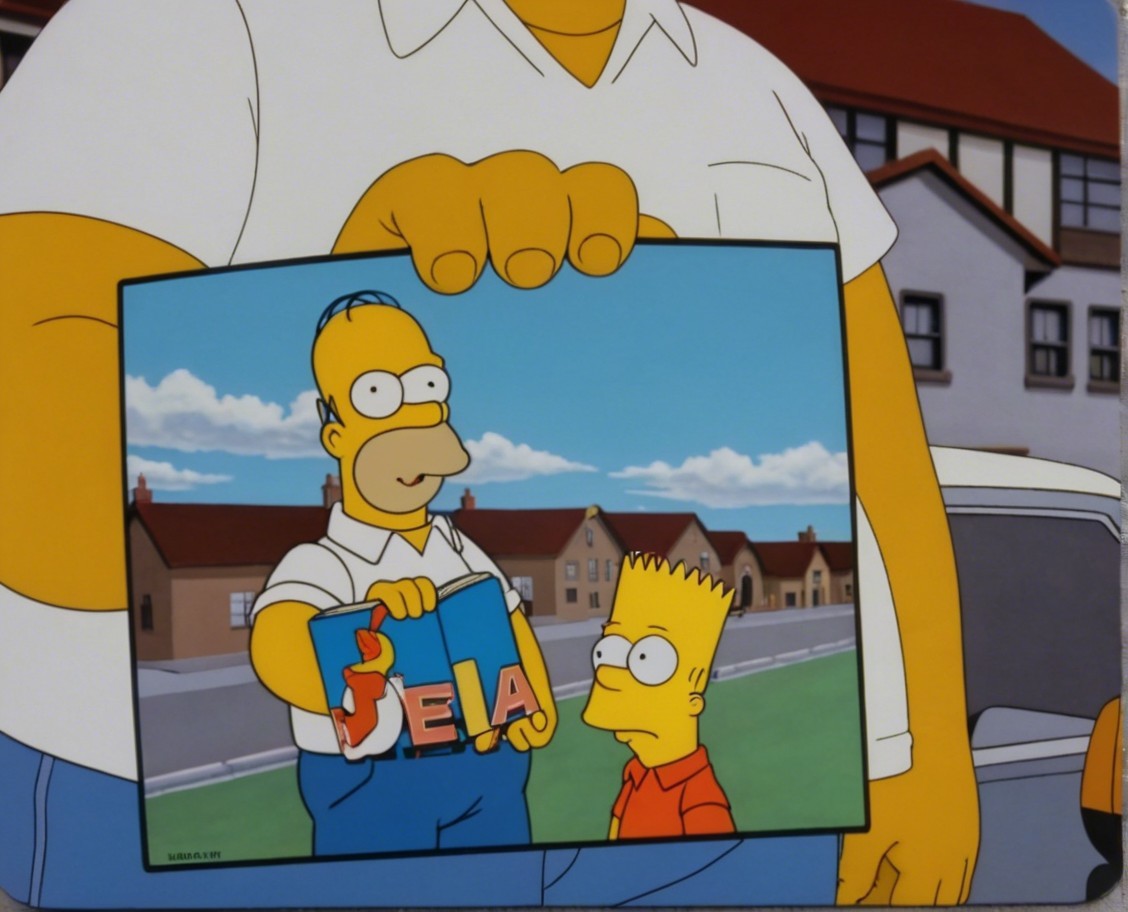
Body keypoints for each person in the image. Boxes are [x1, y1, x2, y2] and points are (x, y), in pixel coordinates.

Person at [0, 1, 977, 905]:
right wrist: (324, 282)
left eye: (425, 393)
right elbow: (43, 510)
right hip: (239, 836)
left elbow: (889, 467)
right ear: (336, 431)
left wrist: (926, 752)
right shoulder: (178, 26)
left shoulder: (760, 91)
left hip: (690, 829)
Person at [583, 553, 736, 840]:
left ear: (693, 702)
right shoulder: (635, 773)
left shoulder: (701, 800)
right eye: (607, 652)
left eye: (646, 659)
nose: (608, 675)